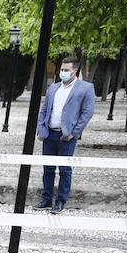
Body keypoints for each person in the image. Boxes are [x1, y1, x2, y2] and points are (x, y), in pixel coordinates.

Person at [35, 56, 95, 214]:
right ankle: (46, 198)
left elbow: (87, 113)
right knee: (47, 169)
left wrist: (74, 133)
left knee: (64, 170)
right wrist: (41, 129)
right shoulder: (53, 88)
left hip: (66, 136)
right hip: (49, 135)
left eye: (66, 70)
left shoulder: (85, 88)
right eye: (62, 70)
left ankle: (60, 201)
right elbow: (44, 110)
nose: (63, 72)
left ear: (75, 70)